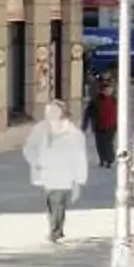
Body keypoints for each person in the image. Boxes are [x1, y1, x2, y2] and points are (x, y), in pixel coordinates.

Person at [21, 101, 89, 244]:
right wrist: (36, 161)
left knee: (58, 201)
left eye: (52, 112)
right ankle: (56, 227)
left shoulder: (72, 132)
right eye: (47, 112)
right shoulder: (41, 129)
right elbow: (28, 147)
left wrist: (79, 176)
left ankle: (55, 230)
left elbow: (79, 155)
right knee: (52, 202)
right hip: (47, 170)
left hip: (64, 171)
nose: (49, 115)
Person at [84, 75, 120, 168]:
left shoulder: (114, 101)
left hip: (111, 126)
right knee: (100, 144)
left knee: (108, 143)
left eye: (110, 89)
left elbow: (119, 113)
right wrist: (85, 124)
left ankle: (109, 159)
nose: (108, 91)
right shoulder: (96, 101)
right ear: (102, 90)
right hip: (99, 126)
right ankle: (102, 158)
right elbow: (88, 112)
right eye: (106, 89)